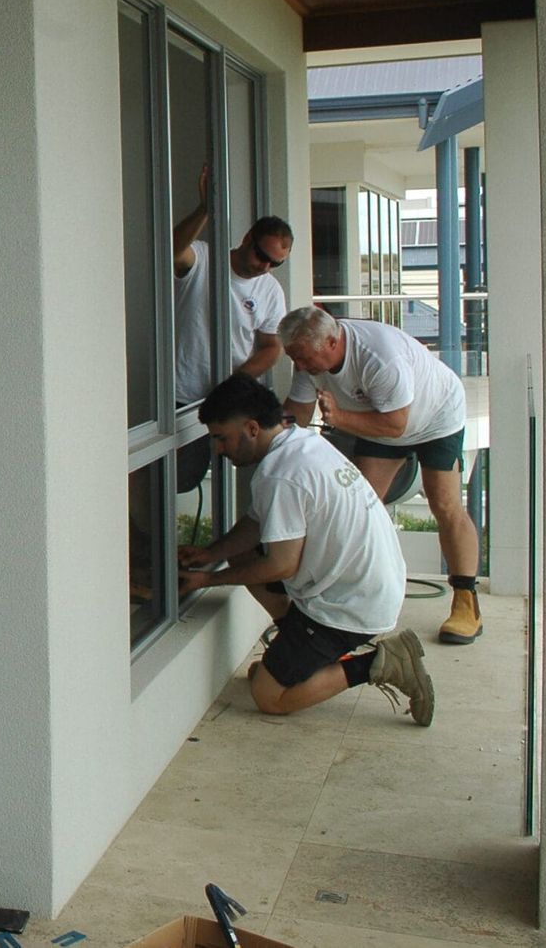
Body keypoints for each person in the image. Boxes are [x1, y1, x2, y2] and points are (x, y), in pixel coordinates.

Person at [179, 377, 434, 724]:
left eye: (221, 438)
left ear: (252, 428)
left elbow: (281, 566)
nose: (218, 450)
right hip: (367, 583)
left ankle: (382, 663)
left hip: (350, 606)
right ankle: (295, 643)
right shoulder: (299, 442)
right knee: (242, 558)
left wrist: (208, 579)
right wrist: (210, 554)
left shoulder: (280, 475)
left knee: (269, 695)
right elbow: (256, 523)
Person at [277, 305, 481, 645]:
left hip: (435, 418)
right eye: (293, 358)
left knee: (444, 504)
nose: (298, 366)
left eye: (302, 357)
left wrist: (339, 418)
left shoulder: (380, 356)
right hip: (376, 422)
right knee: (358, 509)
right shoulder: (308, 358)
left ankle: (465, 602)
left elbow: (396, 424)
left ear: (331, 342)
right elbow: (296, 412)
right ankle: (354, 595)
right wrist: (270, 439)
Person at [170, 164, 291, 492]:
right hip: (182, 393)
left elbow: (271, 346)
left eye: (275, 263)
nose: (265, 266)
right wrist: (204, 210)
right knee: (178, 479)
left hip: (228, 400)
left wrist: (236, 381)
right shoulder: (204, 259)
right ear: (248, 238)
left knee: (232, 466)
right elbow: (172, 250)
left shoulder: (270, 290)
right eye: (262, 255)